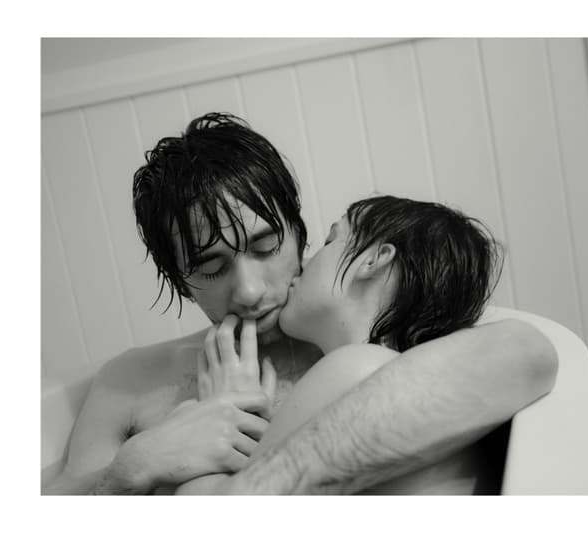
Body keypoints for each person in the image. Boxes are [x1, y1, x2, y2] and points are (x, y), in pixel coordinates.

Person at [42, 113, 557, 495]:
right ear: (181, 281)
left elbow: (523, 354)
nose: (248, 291)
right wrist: (131, 469)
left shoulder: (375, 347)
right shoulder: (129, 382)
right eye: (212, 268)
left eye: (266, 247)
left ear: (299, 231)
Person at [177, 195, 524, 494]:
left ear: (373, 260)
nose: (305, 264)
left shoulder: (357, 369)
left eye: (331, 241)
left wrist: (215, 416)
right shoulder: (390, 375)